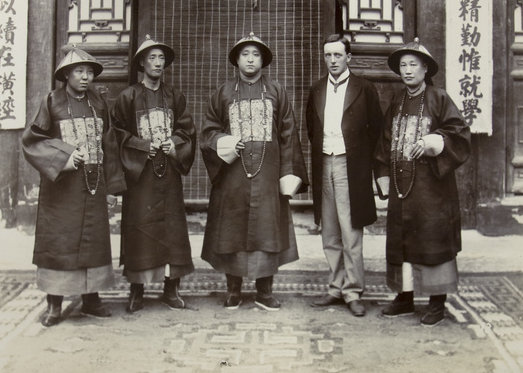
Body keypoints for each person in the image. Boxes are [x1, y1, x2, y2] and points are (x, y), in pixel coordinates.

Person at [200, 32, 308, 311]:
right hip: (232, 177)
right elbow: (209, 131)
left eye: (255, 54)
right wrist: (223, 142)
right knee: (232, 229)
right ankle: (233, 289)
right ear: (236, 59)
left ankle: (264, 291)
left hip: (268, 176)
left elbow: (288, 134)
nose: (250, 59)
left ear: (263, 60)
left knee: (267, 230)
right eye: (245, 54)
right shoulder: (223, 93)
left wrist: (287, 173)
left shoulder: (276, 92)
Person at [22, 47, 126, 327]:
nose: (85, 76)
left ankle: (92, 298)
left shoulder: (99, 103)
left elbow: (110, 145)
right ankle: (54, 303)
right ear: (66, 74)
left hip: (93, 185)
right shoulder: (52, 101)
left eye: (89, 71)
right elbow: (33, 140)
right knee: (60, 242)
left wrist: (113, 188)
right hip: (62, 188)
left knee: (93, 241)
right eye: (79, 71)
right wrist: (65, 155)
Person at [374, 38, 471, 326]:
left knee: (431, 239)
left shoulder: (439, 98)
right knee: (402, 241)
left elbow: (459, 134)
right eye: (403, 65)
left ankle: (436, 302)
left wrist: (434, 141)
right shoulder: (396, 100)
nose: (407, 70)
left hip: (432, 188)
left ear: (425, 68)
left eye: (413, 65)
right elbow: (385, 140)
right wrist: (383, 175)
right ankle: (404, 297)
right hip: (403, 187)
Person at [111, 36, 196, 312]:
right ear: (142, 63)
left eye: (161, 58)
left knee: (171, 230)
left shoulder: (174, 96)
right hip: (141, 176)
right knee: (140, 229)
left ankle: (171, 289)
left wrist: (174, 144)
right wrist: (142, 146)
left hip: (168, 173)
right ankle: (137, 290)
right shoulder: (128, 97)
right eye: (152, 58)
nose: (158, 63)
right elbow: (117, 134)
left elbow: (187, 130)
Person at [306, 34, 383, 317]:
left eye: (338, 55)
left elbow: (376, 129)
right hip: (324, 162)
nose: (333, 61)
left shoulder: (365, 89)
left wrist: (366, 164)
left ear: (349, 57)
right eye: (328, 55)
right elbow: (311, 131)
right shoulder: (316, 89)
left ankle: (353, 290)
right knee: (329, 230)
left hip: (351, 166)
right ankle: (334, 287)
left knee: (351, 231)